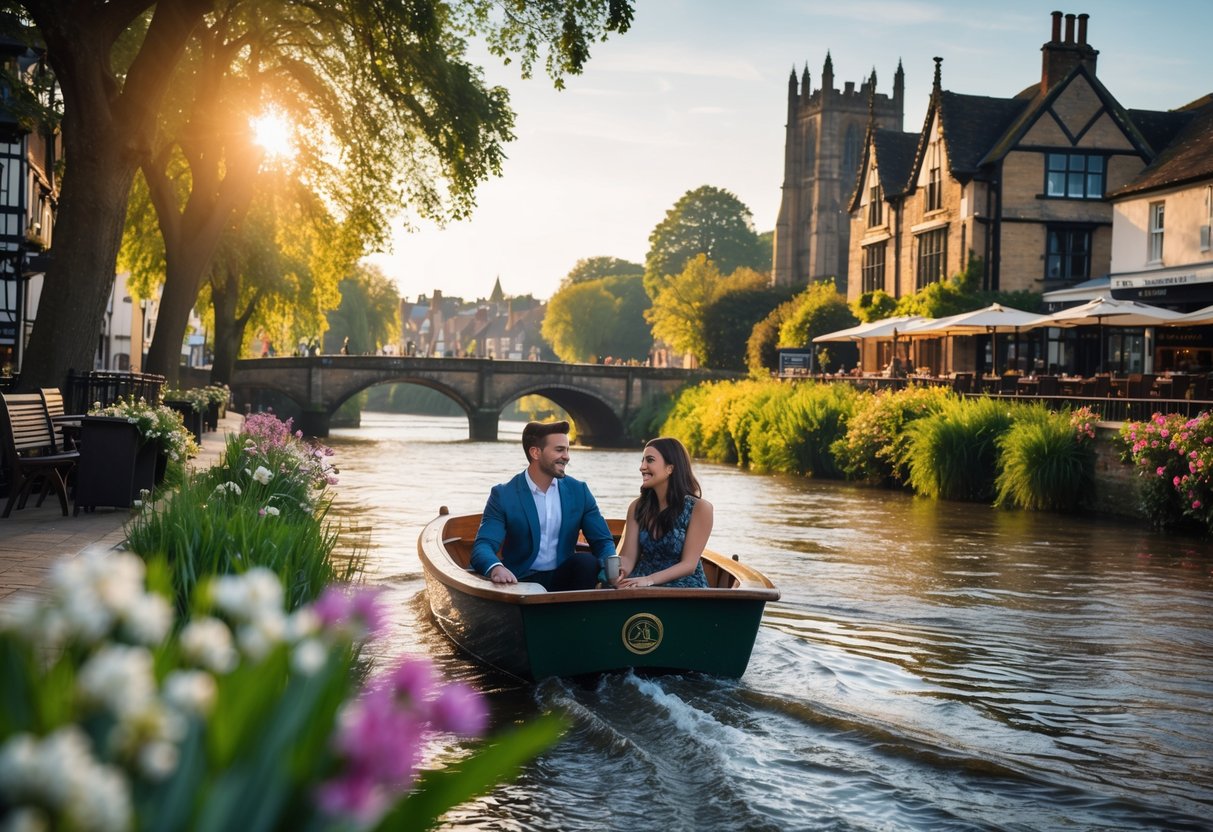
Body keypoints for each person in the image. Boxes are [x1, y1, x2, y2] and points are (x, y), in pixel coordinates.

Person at [470, 420, 616, 591]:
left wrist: (611, 570)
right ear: (535, 452)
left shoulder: (579, 491)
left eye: (567, 450)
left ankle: (579, 615)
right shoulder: (503, 495)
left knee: (586, 562)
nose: (567, 456)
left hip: (564, 580)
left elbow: (603, 542)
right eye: (560, 450)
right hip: (518, 581)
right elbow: (483, 545)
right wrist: (496, 568)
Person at [615, 437, 712, 589]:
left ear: (670, 468)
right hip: (641, 582)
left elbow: (689, 565)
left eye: (650, 460)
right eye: (642, 461)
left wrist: (649, 580)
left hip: (683, 586)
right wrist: (620, 572)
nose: (642, 467)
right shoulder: (637, 507)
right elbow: (628, 557)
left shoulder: (699, 508)